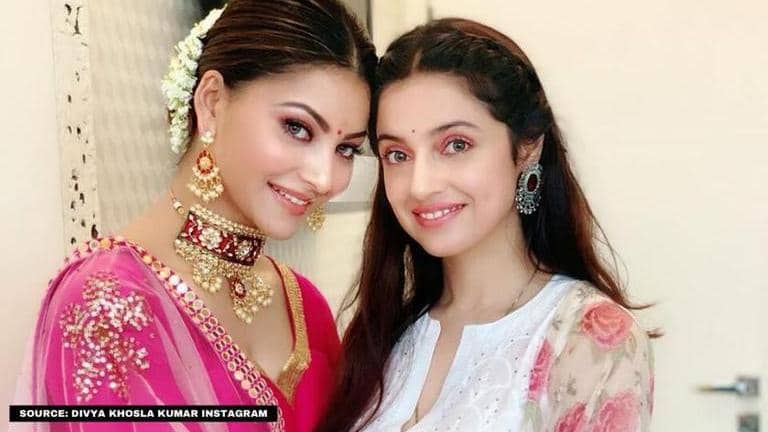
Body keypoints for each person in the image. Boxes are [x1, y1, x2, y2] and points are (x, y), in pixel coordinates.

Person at [12, 1, 375, 431]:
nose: (324, 177)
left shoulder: (305, 304)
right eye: (297, 128)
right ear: (212, 102)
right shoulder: (106, 303)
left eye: (345, 149)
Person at [320, 18, 654, 432]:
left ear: (528, 148)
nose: (420, 185)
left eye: (456, 145)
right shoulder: (382, 335)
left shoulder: (591, 341)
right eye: (397, 155)